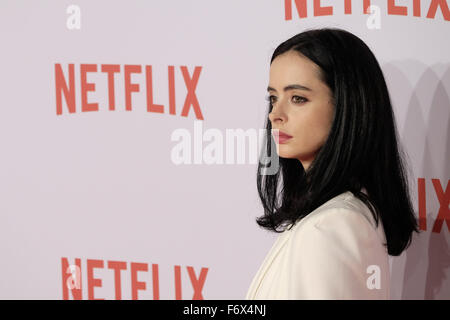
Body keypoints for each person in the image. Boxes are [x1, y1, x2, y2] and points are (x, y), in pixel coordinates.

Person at [246, 27, 421, 300]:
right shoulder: (327, 218)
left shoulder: (332, 227)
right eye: (273, 98)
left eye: (298, 98)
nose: (275, 115)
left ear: (346, 106)